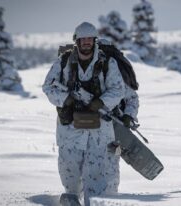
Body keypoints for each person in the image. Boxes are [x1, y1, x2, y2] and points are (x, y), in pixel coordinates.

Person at [42, 22, 125, 206]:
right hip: (70, 130)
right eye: (83, 39)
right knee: (69, 175)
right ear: (76, 41)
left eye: (89, 39)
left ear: (94, 40)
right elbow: (48, 87)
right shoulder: (63, 62)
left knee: (98, 178)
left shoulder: (106, 63)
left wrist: (101, 102)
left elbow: (118, 89)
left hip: (100, 131)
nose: (86, 42)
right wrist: (66, 99)